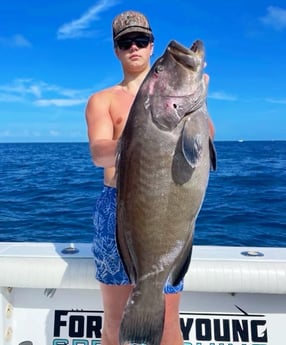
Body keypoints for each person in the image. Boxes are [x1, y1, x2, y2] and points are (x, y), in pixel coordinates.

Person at [85, 10, 214, 345]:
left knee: (169, 324)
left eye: (141, 40)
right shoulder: (103, 100)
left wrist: (199, 103)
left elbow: (206, 140)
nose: (134, 47)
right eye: (125, 42)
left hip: (169, 212)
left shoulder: (181, 95)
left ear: (152, 45)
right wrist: (145, 138)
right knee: (114, 323)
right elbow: (99, 152)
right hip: (118, 210)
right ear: (116, 50)